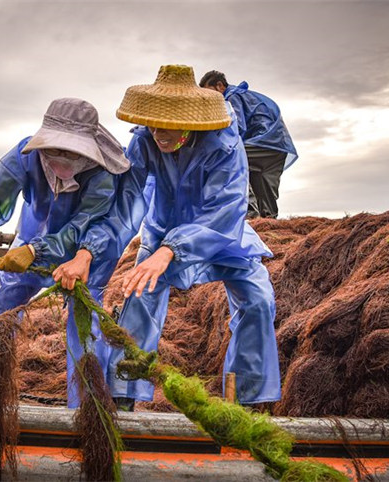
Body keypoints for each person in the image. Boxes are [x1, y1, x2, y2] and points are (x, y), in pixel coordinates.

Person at [55, 65, 281, 410]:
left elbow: (226, 209)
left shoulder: (225, 145)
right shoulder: (144, 142)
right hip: (161, 231)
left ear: (191, 124)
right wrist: (87, 251)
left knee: (258, 297)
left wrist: (172, 250)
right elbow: (126, 207)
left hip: (219, 234)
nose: (159, 132)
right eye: (153, 123)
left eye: (168, 125)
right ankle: (122, 396)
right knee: (139, 294)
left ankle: (247, 402)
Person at [0, 97, 130, 408]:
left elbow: (85, 224)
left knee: (85, 329)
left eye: (71, 152)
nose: (61, 157)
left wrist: (37, 249)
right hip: (28, 244)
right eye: (55, 149)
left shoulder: (102, 173)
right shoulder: (24, 156)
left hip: (84, 255)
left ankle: (87, 410)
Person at [199, 70, 298, 219]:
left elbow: (236, 127)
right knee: (263, 183)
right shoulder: (244, 95)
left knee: (231, 159)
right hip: (278, 145)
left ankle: (250, 214)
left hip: (264, 141)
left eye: (210, 92)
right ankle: (268, 222)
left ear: (219, 85)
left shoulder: (232, 96)